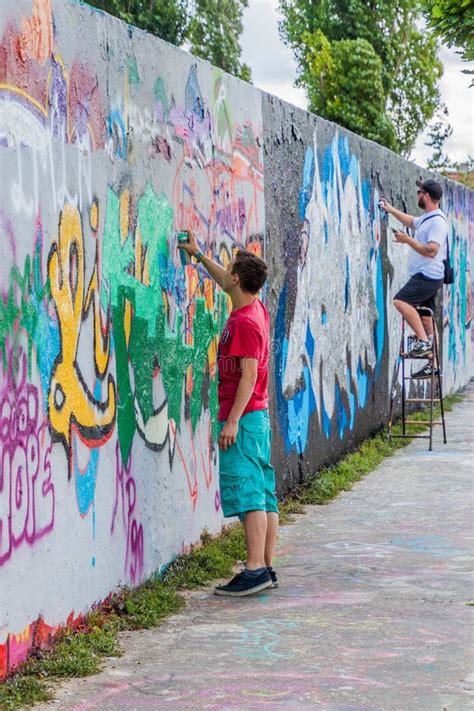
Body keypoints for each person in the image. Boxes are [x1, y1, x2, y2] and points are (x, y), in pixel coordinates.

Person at [178, 232, 279, 597]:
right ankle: (265, 567)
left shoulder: (244, 323)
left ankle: (254, 569)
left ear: (238, 279)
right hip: (257, 416)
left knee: (250, 491)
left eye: (231, 269)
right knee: (264, 491)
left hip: (246, 417)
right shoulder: (254, 307)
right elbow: (224, 279)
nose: (227, 274)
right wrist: (198, 255)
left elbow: (249, 374)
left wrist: (232, 420)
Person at [380, 179, 447, 379]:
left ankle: (423, 343)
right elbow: (410, 221)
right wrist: (390, 209)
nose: (417, 194)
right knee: (426, 318)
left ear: (426, 196)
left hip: (427, 275)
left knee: (400, 301)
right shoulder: (428, 218)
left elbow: (432, 251)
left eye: (419, 192)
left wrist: (407, 240)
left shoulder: (437, 222)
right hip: (427, 275)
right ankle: (433, 364)